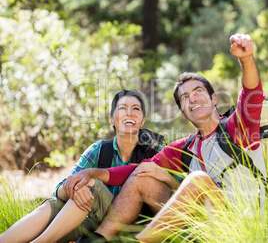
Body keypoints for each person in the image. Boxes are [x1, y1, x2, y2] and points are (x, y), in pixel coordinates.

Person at [63, 33, 265, 243]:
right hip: (202, 226)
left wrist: (246, 59)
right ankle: (96, 240)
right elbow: (137, 169)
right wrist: (94, 172)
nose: (192, 98)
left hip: (241, 225)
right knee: (142, 176)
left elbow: (252, 94)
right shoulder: (187, 147)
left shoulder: (238, 127)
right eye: (185, 97)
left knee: (198, 180)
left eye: (198, 91)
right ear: (184, 113)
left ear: (213, 99)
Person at [0, 90, 177, 243]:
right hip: (96, 223)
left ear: (142, 121)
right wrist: (75, 188)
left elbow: (180, 191)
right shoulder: (99, 150)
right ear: (111, 120)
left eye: (136, 109)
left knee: (90, 184)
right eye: (122, 108)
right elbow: (60, 191)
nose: (129, 113)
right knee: (65, 198)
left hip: (137, 227)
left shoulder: (157, 152)